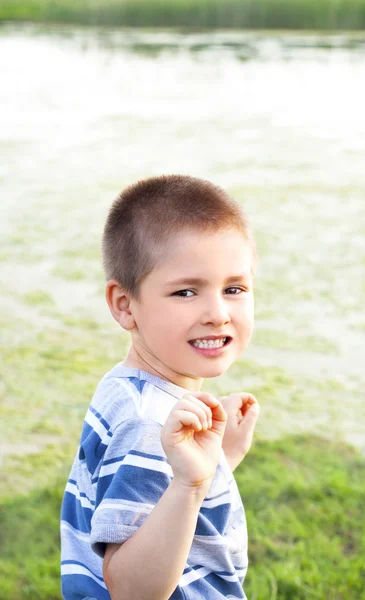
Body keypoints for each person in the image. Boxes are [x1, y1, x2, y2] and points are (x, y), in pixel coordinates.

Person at [60, 174, 260, 600]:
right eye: (186, 291)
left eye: (235, 288)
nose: (218, 313)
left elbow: (150, 504)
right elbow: (131, 589)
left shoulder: (126, 387)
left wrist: (219, 461)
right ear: (125, 304)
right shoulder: (148, 421)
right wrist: (190, 483)